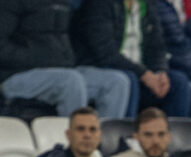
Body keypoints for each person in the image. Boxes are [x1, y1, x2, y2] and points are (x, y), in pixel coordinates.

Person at [0, 0, 132, 119]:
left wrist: (68, 58)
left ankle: (101, 137)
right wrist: (38, 59)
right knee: (70, 81)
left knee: (116, 82)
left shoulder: (63, 3)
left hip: (61, 71)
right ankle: (74, 137)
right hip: (16, 74)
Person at [73, 0, 191, 117]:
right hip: (106, 69)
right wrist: (143, 74)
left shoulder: (147, 4)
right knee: (129, 79)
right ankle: (123, 129)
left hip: (141, 73)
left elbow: (157, 45)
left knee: (178, 82)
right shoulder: (99, 4)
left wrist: (160, 71)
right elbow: (106, 53)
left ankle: (168, 130)